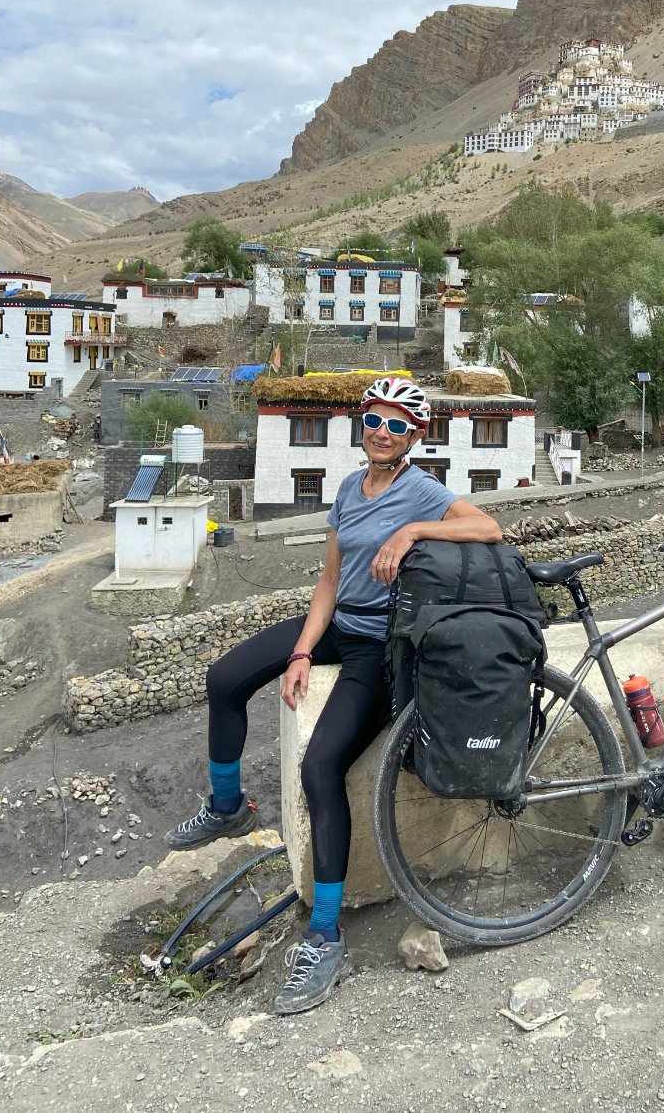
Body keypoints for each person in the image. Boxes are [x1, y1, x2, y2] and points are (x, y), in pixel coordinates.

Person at [164, 376, 503, 1014]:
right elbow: (329, 580)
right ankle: (229, 804)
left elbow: (490, 527)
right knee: (224, 680)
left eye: (397, 424)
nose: (381, 431)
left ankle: (325, 933)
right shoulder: (349, 488)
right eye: (373, 420)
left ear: (416, 435)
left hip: (378, 648)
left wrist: (412, 534)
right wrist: (299, 653)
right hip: (337, 625)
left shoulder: (422, 489)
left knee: (321, 768)